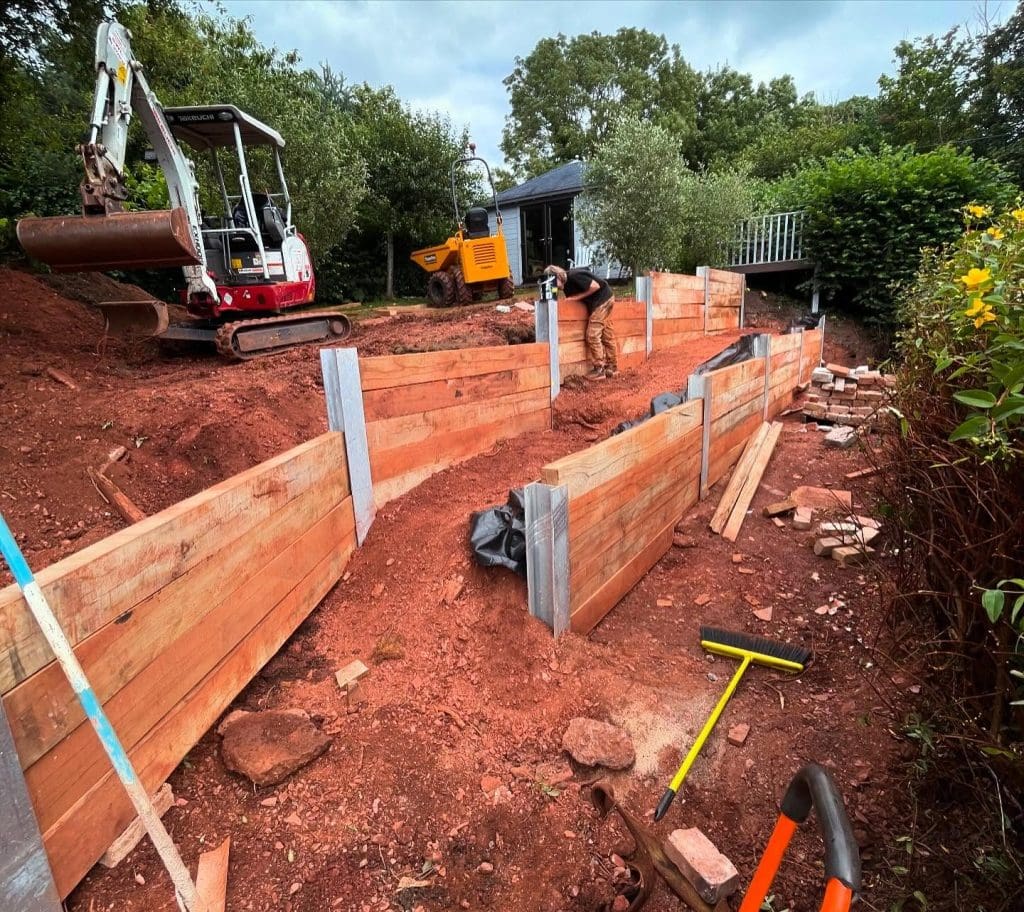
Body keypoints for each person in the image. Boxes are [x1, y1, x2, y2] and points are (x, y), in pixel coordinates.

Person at [544, 265, 617, 380]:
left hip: (602, 300)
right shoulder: (567, 287)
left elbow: (595, 286)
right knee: (607, 335)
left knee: (592, 335)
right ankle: (612, 367)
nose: (553, 286)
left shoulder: (574, 276)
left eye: (553, 281)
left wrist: (575, 298)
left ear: (558, 276)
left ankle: (599, 369)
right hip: (604, 298)